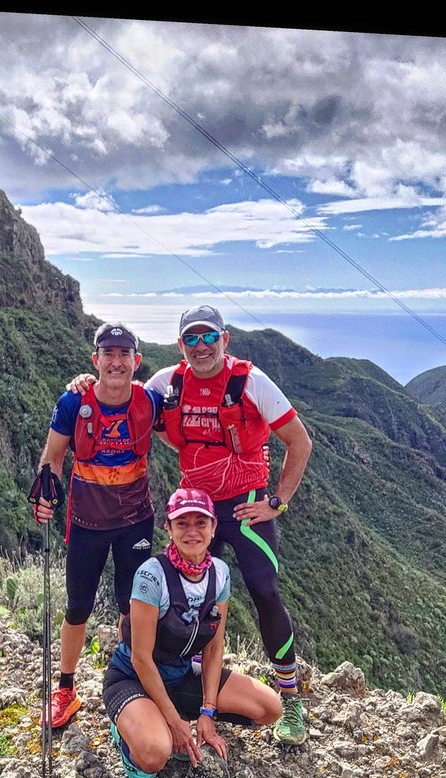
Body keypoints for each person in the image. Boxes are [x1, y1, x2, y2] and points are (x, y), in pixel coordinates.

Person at [68, 304, 313, 745]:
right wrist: (85, 385)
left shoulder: (250, 382)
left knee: (264, 589)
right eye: (192, 339)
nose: (201, 346)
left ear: (224, 340)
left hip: (246, 506)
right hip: (196, 509)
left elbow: (299, 440)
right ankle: (168, 685)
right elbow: (122, 389)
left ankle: (291, 698)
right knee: (188, 597)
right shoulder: (170, 382)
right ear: (181, 346)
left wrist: (277, 502)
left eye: (209, 337)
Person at [29, 322, 162, 729]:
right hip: (87, 520)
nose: (116, 362)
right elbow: (52, 456)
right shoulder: (73, 403)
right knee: (78, 606)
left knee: (132, 604)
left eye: (124, 354)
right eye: (109, 354)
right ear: (96, 360)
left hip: (135, 520)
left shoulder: (150, 401)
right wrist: (44, 495)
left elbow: (189, 424)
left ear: (137, 362)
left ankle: (133, 678)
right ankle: (65, 689)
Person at [103, 487, 281, 778]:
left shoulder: (220, 574)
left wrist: (207, 713)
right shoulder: (151, 576)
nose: (192, 532)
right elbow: (141, 658)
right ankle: (128, 729)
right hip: (132, 678)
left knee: (269, 708)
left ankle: (167, 717)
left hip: (180, 676)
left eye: (201, 522)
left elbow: (213, 646)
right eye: (182, 523)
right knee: (153, 757)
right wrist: (175, 722)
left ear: (213, 528)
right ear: (169, 528)